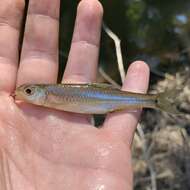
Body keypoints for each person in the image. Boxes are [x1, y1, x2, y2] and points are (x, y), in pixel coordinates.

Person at [0, 0, 149, 189]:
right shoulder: (46, 98)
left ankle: (152, 100)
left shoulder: (50, 95)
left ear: (43, 94)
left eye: (29, 92)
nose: (25, 95)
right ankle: (152, 100)